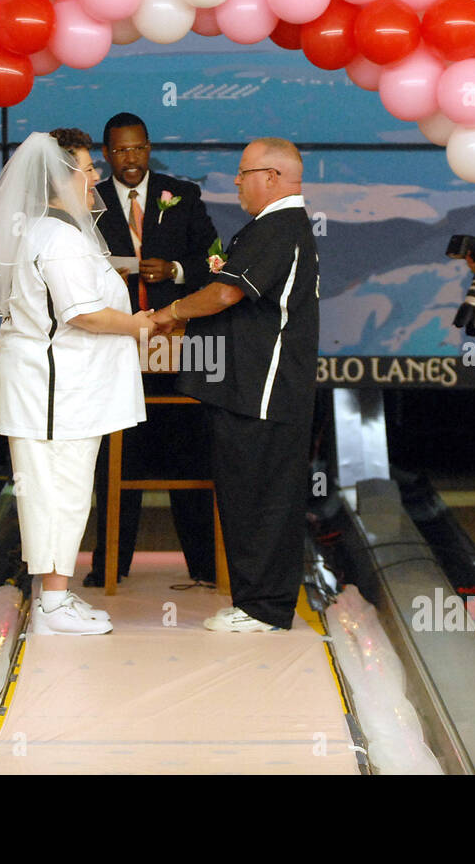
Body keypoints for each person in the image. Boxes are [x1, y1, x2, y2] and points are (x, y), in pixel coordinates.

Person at [0, 131, 151, 635]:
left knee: (62, 489)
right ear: (58, 179)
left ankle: (54, 598)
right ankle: (52, 604)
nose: (95, 179)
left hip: (64, 387)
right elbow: (82, 313)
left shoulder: (56, 232)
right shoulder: (59, 237)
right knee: (56, 490)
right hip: (53, 390)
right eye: (86, 169)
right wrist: (146, 322)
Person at [152, 137, 319, 633]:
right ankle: (255, 602)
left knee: (262, 498)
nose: (237, 183)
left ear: (272, 177)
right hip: (246, 389)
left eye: (243, 173)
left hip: (263, 392)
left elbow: (227, 292)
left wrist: (171, 312)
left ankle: (263, 607)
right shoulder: (274, 226)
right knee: (248, 494)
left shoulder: (280, 225)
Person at [88, 114, 219, 587]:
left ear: (149, 148)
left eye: (139, 149)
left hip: (176, 346)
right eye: (121, 151)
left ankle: (205, 567)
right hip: (116, 347)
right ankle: (110, 567)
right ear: (107, 155)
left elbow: (215, 260)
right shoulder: (91, 200)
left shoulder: (182, 193)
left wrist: (178, 270)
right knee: (117, 457)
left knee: (189, 451)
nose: (131, 159)